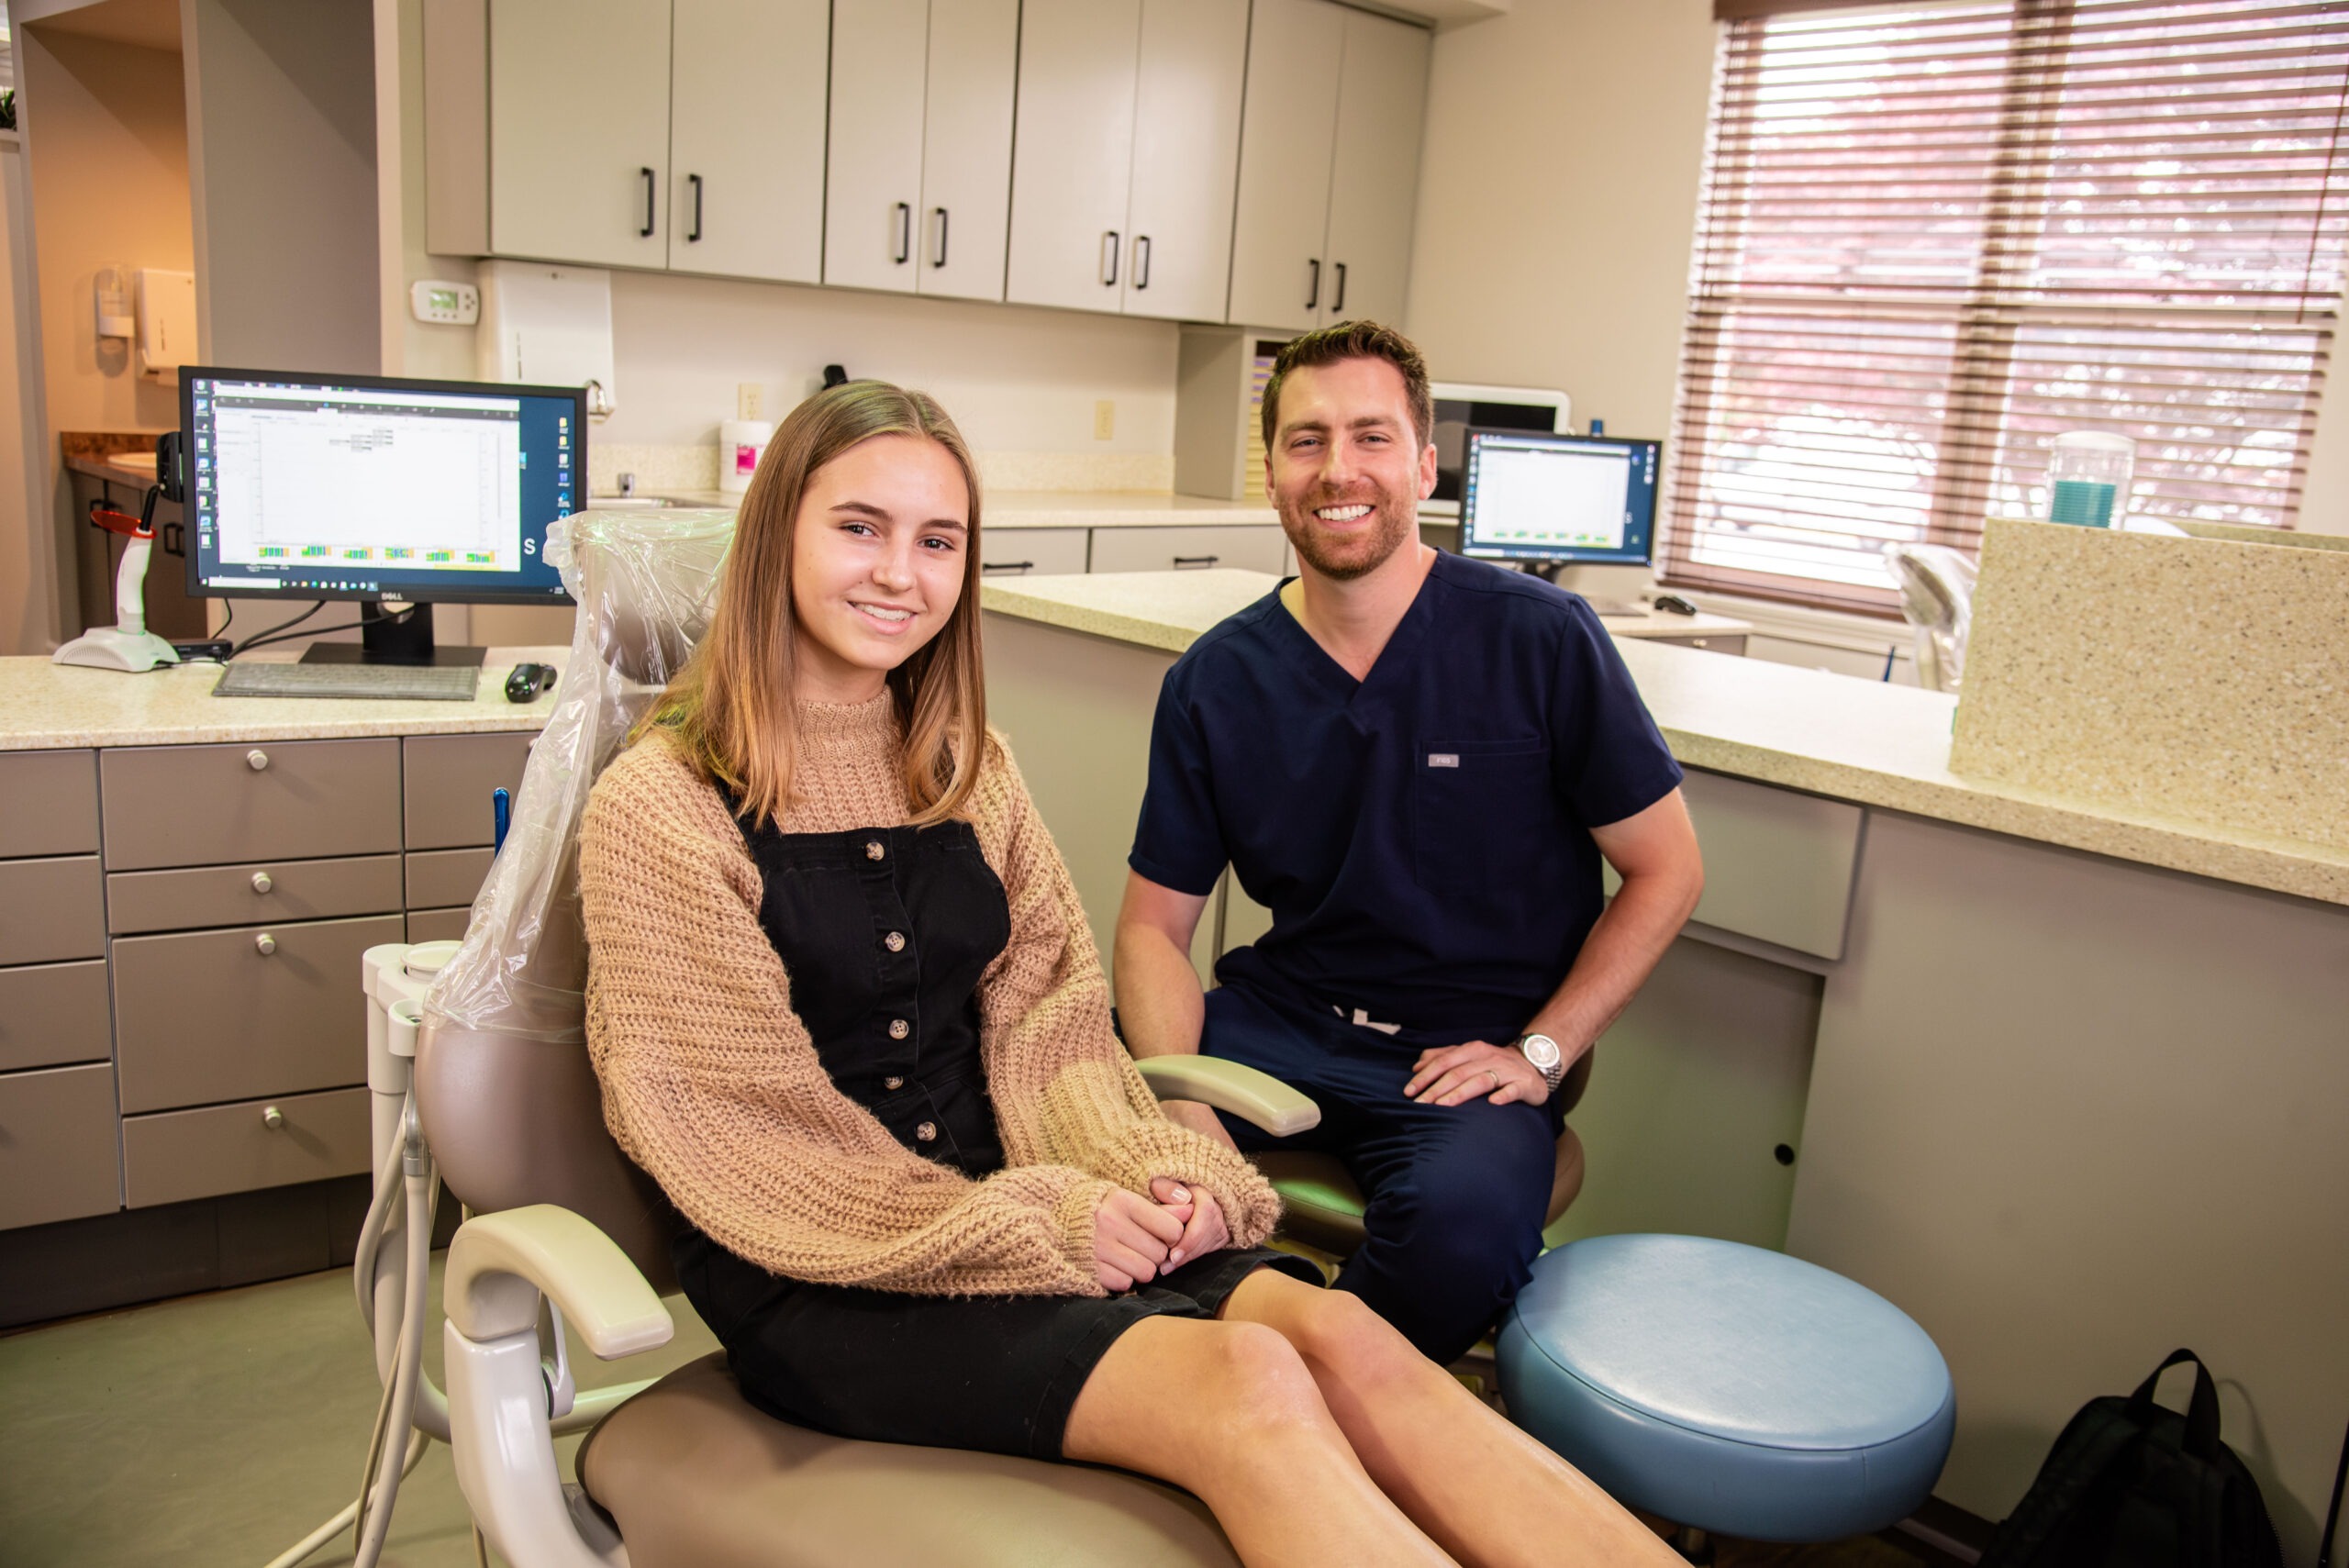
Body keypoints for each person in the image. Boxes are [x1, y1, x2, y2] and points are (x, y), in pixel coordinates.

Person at [578, 379, 1680, 1566]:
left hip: (1039, 1210)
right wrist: (1052, 1215)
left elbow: (1047, 1021)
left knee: (1358, 1347)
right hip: (837, 1271)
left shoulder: (962, 765)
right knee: (1249, 1388)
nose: (901, 571)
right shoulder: (663, 809)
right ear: (775, 534)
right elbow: (750, 1143)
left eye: (937, 539)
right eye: (860, 527)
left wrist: (1159, 1161)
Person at [1115, 322, 1706, 1364]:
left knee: (1458, 1237)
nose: (1338, 469)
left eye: (1370, 437)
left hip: (1462, 1052)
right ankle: (1227, 1373)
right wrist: (1183, 1106)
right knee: (1074, 1124)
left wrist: (1541, 1050)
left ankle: (1299, 1416)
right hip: (1283, 1015)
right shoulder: (1217, 678)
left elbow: (1667, 868)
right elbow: (1155, 931)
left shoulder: (1539, 640)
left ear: (1424, 464)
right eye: (1306, 441)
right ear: (1271, 471)